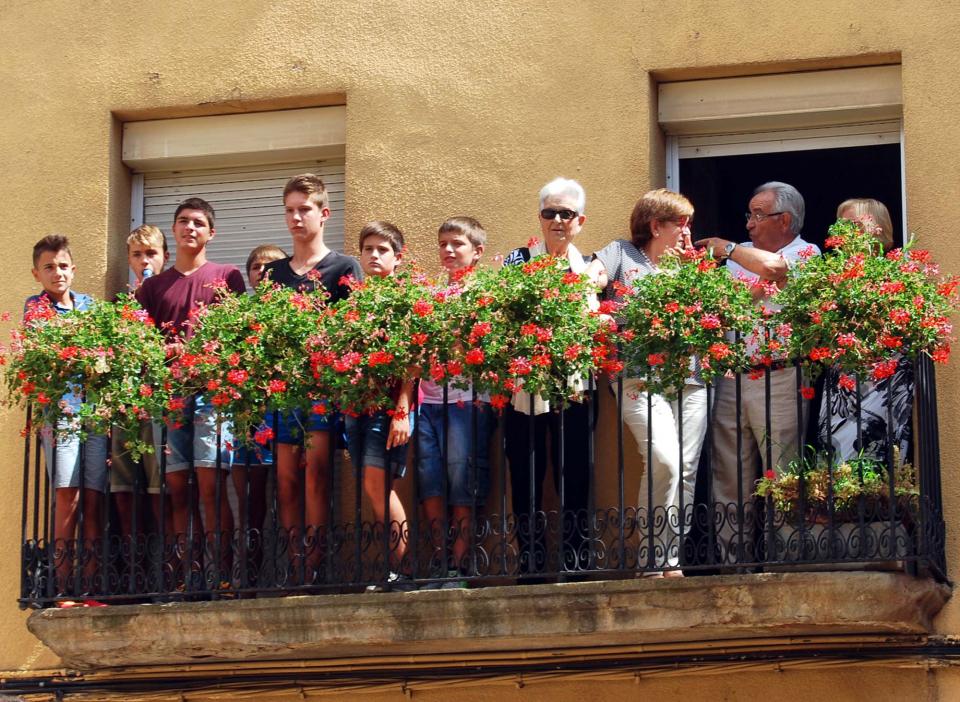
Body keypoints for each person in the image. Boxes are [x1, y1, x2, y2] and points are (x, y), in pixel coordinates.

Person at [695, 181, 820, 565]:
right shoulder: (738, 261)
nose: (748, 223)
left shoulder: (806, 253)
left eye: (757, 214)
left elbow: (776, 271)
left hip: (782, 375)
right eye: (748, 215)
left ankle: (786, 561)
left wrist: (729, 248)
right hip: (733, 378)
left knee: (782, 472)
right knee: (729, 475)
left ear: (784, 220)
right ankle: (735, 565)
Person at [588, 189, 706, 577]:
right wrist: (596, 309)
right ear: (657, 226)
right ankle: (652, 557)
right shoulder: (622, 253)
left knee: (686, 470)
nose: (688, 231)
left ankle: (668, 560)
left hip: (691, 376)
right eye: (682, 223)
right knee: (664, 462)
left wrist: (694, 271)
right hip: (638, 374)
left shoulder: (687, 266)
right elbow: (591, 277)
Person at [136, 198, 246, 590]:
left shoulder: (228, 276)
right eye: (182, 222)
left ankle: (224, 576)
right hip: (167, 396)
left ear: (211, 233)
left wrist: (197, 352)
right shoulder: (152, 287)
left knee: (211, 484)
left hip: (211, 394)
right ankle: (189, 574)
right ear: (174, 230)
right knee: (178, 490)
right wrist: (159, 353)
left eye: (198, 223)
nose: (189, 228)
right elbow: (138, 343)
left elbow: (235, 338)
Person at [262, 173, 362, 584]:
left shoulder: (344, 266)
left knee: (318, 475)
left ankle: (314, 569)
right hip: (284, 393)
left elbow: (353, 328)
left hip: (323, 391)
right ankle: (293, 564)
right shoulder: (272, 273)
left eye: (304, 209)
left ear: (323, 214)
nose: (296, 217)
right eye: (289, 210)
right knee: (285, 481)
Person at [502, 177, 598, 579]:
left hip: (575, 389)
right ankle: (531, 559)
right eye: (549, 213)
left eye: (566, 213)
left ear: (580, 220)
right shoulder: (516, 259)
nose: (557, 220)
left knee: (574, 473)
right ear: (539, 217)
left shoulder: (593, 265)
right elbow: (502, 315)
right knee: (525, 477)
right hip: (523, 390)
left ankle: (576, 557)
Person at [26, 235, 108, 595]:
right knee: (67, 495)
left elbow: (104, 351)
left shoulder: (90, 306)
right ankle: (62, 587)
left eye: (62, 265)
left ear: (73, 269)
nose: (57, 273)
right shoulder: (36, 307)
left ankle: (88, 587)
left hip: (94, 414)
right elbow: (44, 358)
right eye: (49, 267)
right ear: (36, 273)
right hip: (60, 416)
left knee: (92, 497)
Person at [417, 216, 495, 588]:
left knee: (463, 481)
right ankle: (440, 559)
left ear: (477, 252)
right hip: (428, 402)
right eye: (443, 243)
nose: (447, 250)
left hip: (467, 401)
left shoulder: (485, 295)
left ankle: (460, 565)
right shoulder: (431, 295)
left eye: (457, 244)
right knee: (430, 483)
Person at [347, 221, 416, 591]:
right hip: (357, 407)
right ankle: (391, 570)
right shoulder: (356, 301)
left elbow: (413, 358)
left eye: (383, 250)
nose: (374, 255)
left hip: (389, 409)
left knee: (379, 488)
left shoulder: (403, 300)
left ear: (397, 258)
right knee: (371, 488)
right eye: (369, 249)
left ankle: (398, 571)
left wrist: (402, 408)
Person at [819, 198, 912, 463]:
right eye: (841, 226)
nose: (845, 233)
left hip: (886, 383)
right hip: (842, 385)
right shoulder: (830, 277)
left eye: (854, 225)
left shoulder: (898, 274)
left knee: (880, 460)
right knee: (835, 462)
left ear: (879, 228)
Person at [231, 243, 288, 585]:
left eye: (271, 266)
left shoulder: (294, 313)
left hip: (286, 415)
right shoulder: (238, 314)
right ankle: (250, 577)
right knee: (251, 505)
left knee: (291, 498)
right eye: (256, 266)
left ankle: (291, 574)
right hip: (247, 421)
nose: (263, 272)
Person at [111, 225, 170, 557]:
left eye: (151, 253)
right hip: (125, 405)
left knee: (159, 486)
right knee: (122, 486)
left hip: (159, 402)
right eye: (137, 255)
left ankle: (165, 568)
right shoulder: (122, 304)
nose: (144, 260)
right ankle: (134, 566)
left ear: (164, 257)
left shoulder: (167, 295)